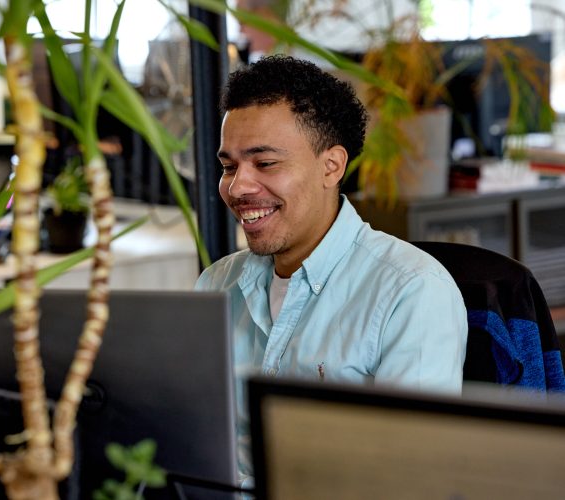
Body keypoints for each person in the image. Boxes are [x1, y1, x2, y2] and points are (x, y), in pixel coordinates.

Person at [194, 55, 468, 483]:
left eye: (265, 164)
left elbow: (409, 477)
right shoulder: (217, 284)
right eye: (229, 166)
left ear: (332, 166)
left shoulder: (412, 291)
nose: (237, 187)